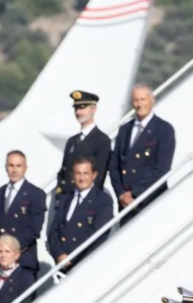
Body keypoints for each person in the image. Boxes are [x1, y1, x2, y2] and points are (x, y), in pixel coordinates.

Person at [108, 84, 176, 223]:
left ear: (152, 100)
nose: (139, 104)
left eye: (143, 99)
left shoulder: (164, 129)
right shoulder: (125, 130)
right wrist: (121, 194)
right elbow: (114, 166)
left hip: (149, 202)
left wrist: (134, 194)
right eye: (135, 100)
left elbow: (162, 169)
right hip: (126, 206)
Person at [0, 150, 45, 273]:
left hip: (23, 262)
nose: (14, 170)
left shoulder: (36, 194)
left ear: (25, 168)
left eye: (18, 166)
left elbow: (34, 230)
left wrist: (11, 251)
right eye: (11, 166)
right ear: (6, 168)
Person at [48, 157, 114, 271]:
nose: (82, 178)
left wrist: (72, 258)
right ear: (73, 176)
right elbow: (53, 230)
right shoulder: (65, 199)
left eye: (85, 173)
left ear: (94, 175)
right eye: (78, 173)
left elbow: (97, 234)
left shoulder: (103, 200)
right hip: (62, 264)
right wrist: (59, 255)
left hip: (85, 265)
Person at [56, 90, 111, 198]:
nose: (78, 112)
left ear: (93, 109)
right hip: (66, 198)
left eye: (82, 107)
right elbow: (64, 171)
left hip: (86, 200)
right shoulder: (72, 141)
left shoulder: (102, 140)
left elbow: (98, 176)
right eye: (76, 108)